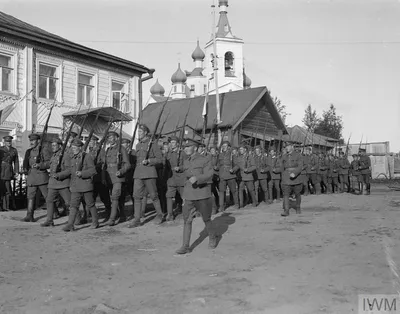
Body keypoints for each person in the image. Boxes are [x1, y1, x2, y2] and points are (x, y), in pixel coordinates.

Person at [175, 138, 218, 254]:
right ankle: (185, 246)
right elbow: (186, 176)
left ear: (195, 147)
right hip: (189, 195)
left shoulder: (205, 159)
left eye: (189, 146)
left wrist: (198, 179)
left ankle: (212, 237)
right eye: (185, 147)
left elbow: (210, 174)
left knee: (206, 218)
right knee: (187, 220)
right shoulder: (186, 161)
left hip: (202, 194)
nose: (186, 149)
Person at [129, 124, 163, 228]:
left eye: (140, 132)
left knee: (153, 196)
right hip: (138, 174)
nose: (138, 134)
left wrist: (149, 161)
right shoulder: (138, 145)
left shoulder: (153, 144)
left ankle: (160, 215)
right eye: (138, 132)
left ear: (145, 133)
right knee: (136, 196)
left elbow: (160, 159)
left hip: (149, 173)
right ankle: (137, 219)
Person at [63, 139, 98, 231]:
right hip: (75, 186)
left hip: (86, 186)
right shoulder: (73, 158)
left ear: (80, 148)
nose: (73, 149)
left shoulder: (87, 157)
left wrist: (82, 173)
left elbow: (93, 171)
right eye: (72, 147)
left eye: (75, 148)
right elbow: (70, 172)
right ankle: (70, 225)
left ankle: (95, 222)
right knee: (73, 205)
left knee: (90, 205)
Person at [102, 131, 131, 226]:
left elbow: (127, 164)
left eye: (112, 137)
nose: (110, 139)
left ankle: (112, 219)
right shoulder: (108, 150)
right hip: (109, 178)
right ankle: (122, 216)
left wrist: (121, 171)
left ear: (116, 138)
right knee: (117, 198)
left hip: (118, 178)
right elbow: (105, 165)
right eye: (109, 138)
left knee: (115, 197)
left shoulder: (121, 149)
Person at [41, 138, 71, 227]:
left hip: (62, 183)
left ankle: (77, 219)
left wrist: (59, 175)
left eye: (54, 145)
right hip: (53, 184)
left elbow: (69, 170)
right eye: (52, 145)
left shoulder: (65, 156)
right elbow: (49, 165)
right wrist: (39, 165)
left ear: (60, 146)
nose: (52, 147)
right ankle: (49, 220)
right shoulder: (53, 156)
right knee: (49, 201)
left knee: (69, 202)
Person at [21, 133, 50, 222]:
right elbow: (25, 163)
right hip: (32, 177)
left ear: (38, 141)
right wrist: (25, 171)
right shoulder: (28, 151)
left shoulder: (44, 150)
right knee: (30, 196)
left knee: (48, 197)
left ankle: (53, 213)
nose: (32, 142)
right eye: (31, 140)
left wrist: (40, 165)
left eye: (33, 140)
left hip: (41, 177)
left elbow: (49, 163)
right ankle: (29, 215)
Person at [165, 136, 186, 222]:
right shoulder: (168, 154)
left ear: (177, 143)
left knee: (185, 197)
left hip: (181, 179)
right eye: (170, 142)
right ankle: (170, 214)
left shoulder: (183, 153)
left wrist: (180, 168)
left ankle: (187, 213)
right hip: (171, 179)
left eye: (173, 142)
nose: (171, 144)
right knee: (169, 196)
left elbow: (187, 165)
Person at [280, 141, 304, 216]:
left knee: (297, 194)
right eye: (286, 147)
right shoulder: (284, 156)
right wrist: (282, 177)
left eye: (288, 146)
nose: (287, 148)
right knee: (286, 194)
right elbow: (282, 167)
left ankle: (298, 207)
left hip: (296, 178)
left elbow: (300, 167)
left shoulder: (298, 155)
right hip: (286, 178)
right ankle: (286, 210)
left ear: (292, 147)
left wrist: (295, 173)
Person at [217, 140, 239, 211]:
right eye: (222, 146)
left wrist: (233, 169)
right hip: (222, 176)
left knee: (233, 191)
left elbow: (237, 165)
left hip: (230, 175)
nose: (223, 147)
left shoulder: (232, 155)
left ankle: (236, 204)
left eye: (225, 146)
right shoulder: (219, 155)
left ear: (229, 147)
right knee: (221, 191)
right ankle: (221, 206)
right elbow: (218, 165)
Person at [235, 144, 257, 208]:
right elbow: (237, 166)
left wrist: (248, 169)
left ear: (245, 150)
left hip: (248, 176)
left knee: (251, 190)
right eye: (239, 149)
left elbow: (254, 167)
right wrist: (233, 170)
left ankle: (254, 202)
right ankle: (241, 204)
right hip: (241, 177)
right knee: (240, 189)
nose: (240, 150)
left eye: (241, 149)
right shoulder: (239, 157)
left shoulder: (250, 157)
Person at [0, 136, 19, 211]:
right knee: (1, 189)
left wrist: (16, 171)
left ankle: (6, 207)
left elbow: (16, 161)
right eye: (7, 141)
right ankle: (1, 207)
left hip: (8, 171)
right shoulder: (1, 149)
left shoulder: (14, 150)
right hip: (1, 170)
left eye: (10, 141)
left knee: (8, 189)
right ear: (4, 142)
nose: (9, 143)